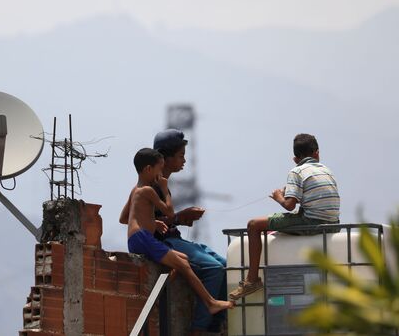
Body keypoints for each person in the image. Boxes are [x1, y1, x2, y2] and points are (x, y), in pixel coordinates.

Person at [120, 148, 234, 316]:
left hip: (138, 237)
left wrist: (152, 222)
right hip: (142, 239)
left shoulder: (135, 190)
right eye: (159, 170)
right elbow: (170, 212)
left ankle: (161, 294)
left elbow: (124, 218)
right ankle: (211, 302)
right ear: (148, 170)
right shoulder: (148, 190)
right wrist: (164, 189)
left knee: (184, 259)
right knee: (182, 264)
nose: (161, 175)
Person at [229, 133, 340, 300]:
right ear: (317, 153)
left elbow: (289, 205)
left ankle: (252, 280)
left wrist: (278, 196)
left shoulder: (296, 171)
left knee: (253, 224)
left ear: (295, 159)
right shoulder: (326, 170)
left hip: (311, 222)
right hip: (333, 222)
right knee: (279, 220)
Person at [152, 129, 229, 335]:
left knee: (225, 265)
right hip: (163, 243)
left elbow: (165, 218)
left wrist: (180, 219)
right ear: (164, 158)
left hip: (173, 238)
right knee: (213, 269)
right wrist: (178, 217)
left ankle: (216, 326)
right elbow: (142, 222)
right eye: (180, 156)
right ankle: (199, 329)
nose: (184, 160)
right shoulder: (150, 186)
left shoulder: (163, 184)